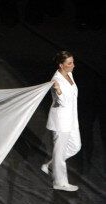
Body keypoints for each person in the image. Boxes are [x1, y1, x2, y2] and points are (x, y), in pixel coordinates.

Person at [41, 51, 81, 192]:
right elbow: (62, 102)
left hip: (71, 118)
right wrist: (57, 90)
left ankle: (51, 165)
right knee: (59, 153)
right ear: (61, 65)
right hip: (61, 121)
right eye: (69, 63)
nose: (73, 65)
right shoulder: (56, 80)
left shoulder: (68, 73)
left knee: (76, 146)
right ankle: (60, 182)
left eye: (73, 62)